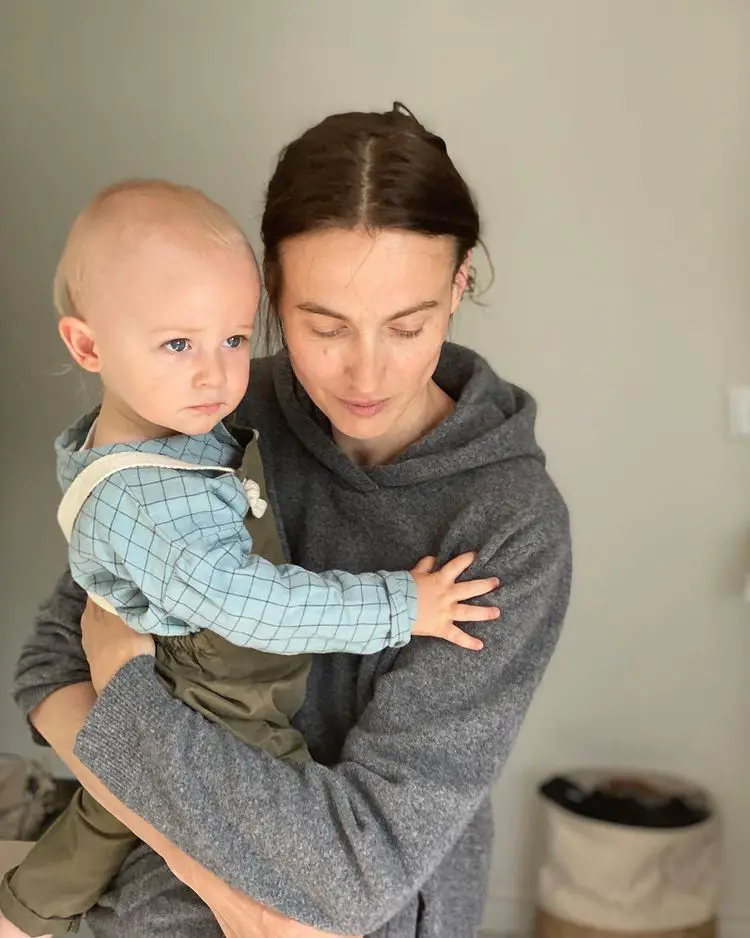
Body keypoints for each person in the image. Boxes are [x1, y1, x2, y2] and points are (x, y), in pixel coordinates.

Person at [12, 104, 572, 938]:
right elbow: (52, 665)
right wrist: (223, 887)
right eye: (324, 325)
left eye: (408, 325)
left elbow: (356, 871)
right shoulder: (216, 407)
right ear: (269, 290)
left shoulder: (511, 525)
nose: (366, 375)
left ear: (460, 285)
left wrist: (123, 699)